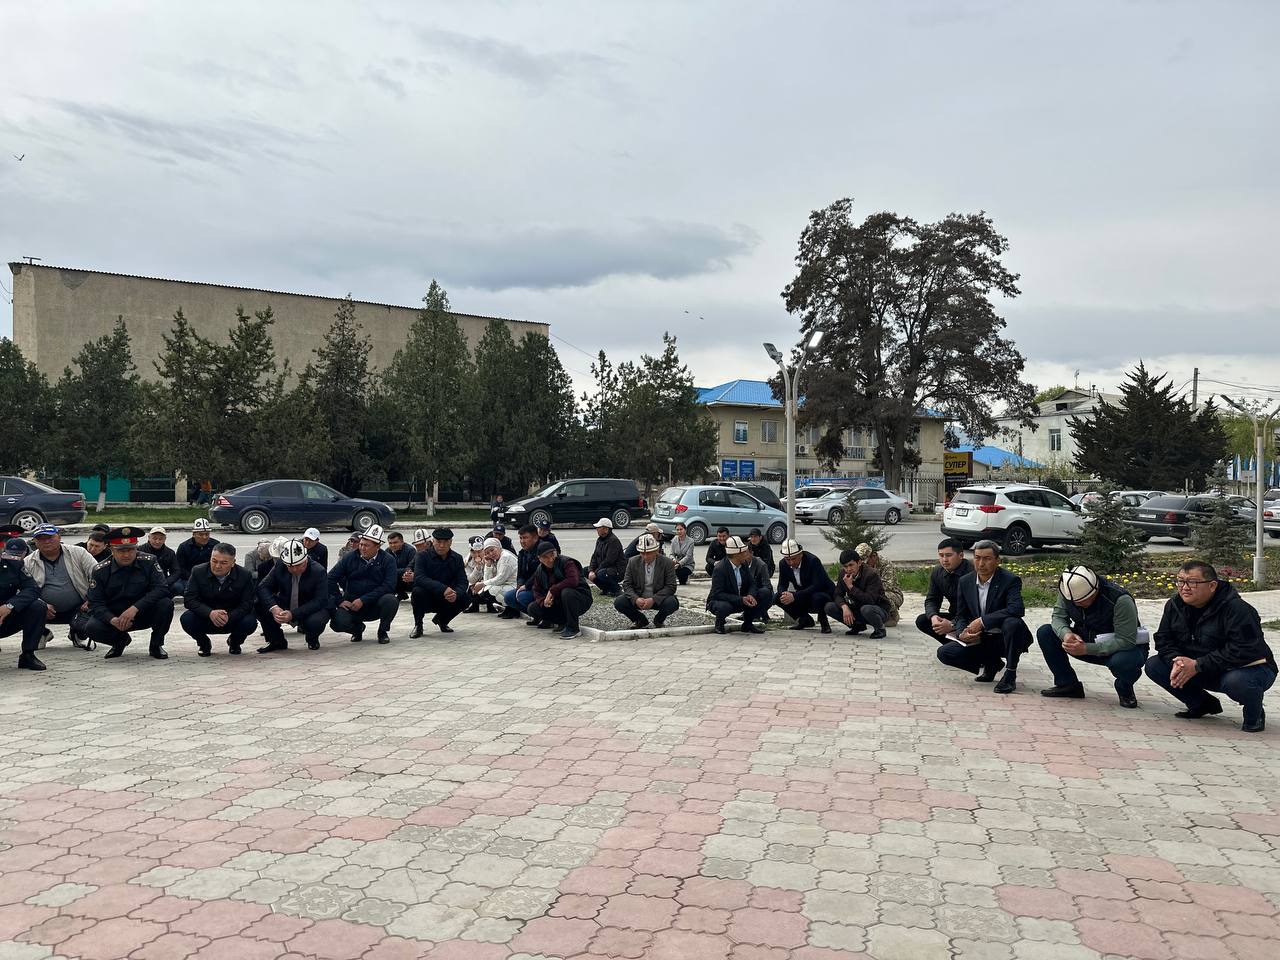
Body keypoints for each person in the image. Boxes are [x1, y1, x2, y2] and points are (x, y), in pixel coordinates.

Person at [1145, 560, 1276, 733]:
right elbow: (1163, 639)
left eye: (1192, 582)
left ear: (1212, 585)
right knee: (1155, 665)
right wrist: (1177, 661)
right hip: (1202, 667)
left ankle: (1255, 715)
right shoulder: (1174, 605)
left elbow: (1244, 649)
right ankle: (1202, 704)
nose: (1184, 587)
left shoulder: (1237, 609)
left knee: (1237, 682)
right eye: (1180, 581)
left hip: (1246, 668)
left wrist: (1198, 665)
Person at [1037, 565, 1148, 708]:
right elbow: (1058, 617)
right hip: (1086, 640)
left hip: (1122, 648)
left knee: (1124, 661)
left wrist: (1086, 649)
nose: (1077, 604)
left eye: (1082, 601)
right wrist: (1066, 634)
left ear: (1095, 591)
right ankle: (1067, 684)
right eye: (1074, 602)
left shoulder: (1120, 600)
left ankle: (1125, 689)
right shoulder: (1069, 590)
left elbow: (1125, 640)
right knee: (1045, 632)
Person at [938, 539, 1033, 693]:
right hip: (981, 638)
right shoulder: (965, 581)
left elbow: (1016, 609)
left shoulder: (1010, 580)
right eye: (977, 558)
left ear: (997, 560)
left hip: (1004, 637)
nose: (981, 563)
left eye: (987, 559)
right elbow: (961, 615)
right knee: (945, 653)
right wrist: (962, 633)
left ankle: (1010, 673)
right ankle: (992, 663)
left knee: (1012, 623)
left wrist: (983, 621)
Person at [84, 527, 175, 660]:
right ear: (111, 550)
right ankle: (120, 641)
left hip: (142, 612)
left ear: (136, 548)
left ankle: (156, 645)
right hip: (116, 616)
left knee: (166, 604)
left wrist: (134, 608)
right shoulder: (100, 570)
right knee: (92, 627)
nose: (126, 555)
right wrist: (112, 619)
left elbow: (161, 588)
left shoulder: (149, 561)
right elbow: (95, 602)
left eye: (131, 549)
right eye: (121, 550)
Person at [24, 524, 98, 650]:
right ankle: (42, 633)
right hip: (44, 610)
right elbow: (23, 590)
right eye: (41, 538)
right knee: (22, 606)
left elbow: (98, 576)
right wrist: (41, 604)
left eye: (50, 537)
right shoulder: (28, 562)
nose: (46, 541)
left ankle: (78, 633)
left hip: (80, 606)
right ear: (35, 541)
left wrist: (91, 599)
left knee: (88, 620)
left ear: (59, 537)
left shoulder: (78, 553)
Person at [256, 538, 332, 652]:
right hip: (287, 602)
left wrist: (293, 614)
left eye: (298, 565)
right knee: (259, 604)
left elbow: (320, 600)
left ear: (305, 560)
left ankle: (312, 639)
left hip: (309, 606)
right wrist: (274, 608)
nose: (295, 569)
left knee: (315, 621)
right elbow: (263, 587)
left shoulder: (318, 571)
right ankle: (276, 641)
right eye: (290, 566)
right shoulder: (280, 565)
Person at [181, 542, 256, 656]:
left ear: (233, 563)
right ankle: (204, 644)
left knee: (250, 622)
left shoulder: (244, 575)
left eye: (223, 563)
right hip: (206, 616)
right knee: (187, 618)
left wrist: (229, 616)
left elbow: (247, 603)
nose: (217, 566)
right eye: (214, 561)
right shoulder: (198, 571)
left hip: (231, 617)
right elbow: (189, 599)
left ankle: (235, 642)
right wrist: (210, 613)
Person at [328, 525, 399, 644]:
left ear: (377, 547)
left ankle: (382, 631)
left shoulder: (388, 560)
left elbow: (389, 585)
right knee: (337, 623)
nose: (362, 548)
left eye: (366, 545)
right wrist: (339, 600)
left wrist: (363, 600)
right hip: (352, 603)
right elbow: (330, 578)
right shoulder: (350, 557)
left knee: (391, 600)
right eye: (361, 544)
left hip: (375, 603)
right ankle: (357, 629)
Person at [0, 538, 50, 671]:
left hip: (5, 617)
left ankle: (28, 655)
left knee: (37, 606)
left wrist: (10, 606)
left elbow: (32, 589)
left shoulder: (14, 564)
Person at [528, 542, 592, 640]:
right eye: (545, 557)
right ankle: (562, 622)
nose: (550, 559)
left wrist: (552, 590)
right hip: (558, 602)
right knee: (533, 608)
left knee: (567, 592)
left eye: (552, 555)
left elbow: (573, 581)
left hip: (579, 598)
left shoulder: (567, 562)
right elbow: (536, 590)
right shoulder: (540, 570)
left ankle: (573, 628)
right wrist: (543, 601)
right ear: (539, 558)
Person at [411, 528, 469, 636]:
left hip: (448, 597)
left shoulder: (457, 558)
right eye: (438, 542)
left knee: (466, 597)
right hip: (429, 596)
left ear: (451, 542)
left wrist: (456, 593)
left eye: (445, 542)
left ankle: (442, 620)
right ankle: (418, 625)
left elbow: (463, 581)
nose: (442, 546)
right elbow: (419, 577)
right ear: (433, 541)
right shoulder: (422, 556)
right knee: (417, 592)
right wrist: (443, 589)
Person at [614, 533, 679, 629]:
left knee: (672, 603)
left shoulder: (667, 563)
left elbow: (671, 586)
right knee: (619, 602)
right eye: (642, 553)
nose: (645, 556)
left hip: (658, 599)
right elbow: (627, 584)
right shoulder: (632, 562)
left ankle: (659, 620)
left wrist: (653, 599)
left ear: (656, 551)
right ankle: (639, 620)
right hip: (639, 597)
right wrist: (636, 599)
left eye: (648, 553)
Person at [915, 539, 974, 642]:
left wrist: (953, 624)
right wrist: (933, 616)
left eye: (948, 555)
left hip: (971, 618)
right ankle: (952, 645)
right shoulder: (937, 572)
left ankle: (957, 647)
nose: (944, 560)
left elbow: (973, 609)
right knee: (923, 620)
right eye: (941, 555)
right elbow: (932, 599)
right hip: (954, 614)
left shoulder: (972, 573)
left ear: (961, 555)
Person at [825, 549, 890, 639]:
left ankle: (880, 629)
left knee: (866, 609)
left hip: (877, 609)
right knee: (829, 607)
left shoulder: (871, 574)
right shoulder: (843, 574)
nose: (848, 569)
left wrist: (851, 587)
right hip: (857, 607)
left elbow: (870, 599)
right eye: (845, 566)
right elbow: (837, 594)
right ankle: (857, 626)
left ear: (859, 563)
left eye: (851, 565)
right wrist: (844, 606)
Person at [707, 536, 765, 635]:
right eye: (744, 552)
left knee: (765, 593)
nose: (747, 554)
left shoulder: (744, 564)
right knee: (724, 607)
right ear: (736, 555)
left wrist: (751, 595)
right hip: (725, 600)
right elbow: (718, 594)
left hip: (742, 599)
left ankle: (748, 623)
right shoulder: (720, 569)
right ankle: (719, 623)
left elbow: (752, 583)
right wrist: (741, 599)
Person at [775, 539, 834, 633]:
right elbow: (781, 584)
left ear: (801, 554)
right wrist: (783, 594)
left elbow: (818, 585)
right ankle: (804, 620)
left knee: (818, 598)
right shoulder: (783, 564)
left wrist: (794, 596)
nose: (791, 562)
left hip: (821, 592)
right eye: (788, 559)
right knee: (777, 597)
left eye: (794, 559)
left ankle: (824, 622)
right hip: (802, 594)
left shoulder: (812, 561)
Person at [858, 543, 902, 628]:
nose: (864, 564)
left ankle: (891, 614)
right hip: (871, 591)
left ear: (874, 556)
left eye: (866, 561)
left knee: (881, 596)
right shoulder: (861, 566)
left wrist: (869, 588)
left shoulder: (886, 564)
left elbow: (888, 585)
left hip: (892, 593)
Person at [500, 524, 540, 619]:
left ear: (535, 538)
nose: (522, 541)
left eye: (525, 538)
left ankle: (543, 616)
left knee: (522, 596)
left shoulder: (541, 551)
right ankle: (534, 615)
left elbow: (539, 573)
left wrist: (526, 586)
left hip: (539, 587)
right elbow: (520, 573)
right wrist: (520, 584)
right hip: (527, 587)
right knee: (509, 597)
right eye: (520, 538)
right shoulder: (522, 553)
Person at [472, 538, 517, 613]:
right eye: (487, 553)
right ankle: (508, 609)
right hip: (506, 584)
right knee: (485, 590)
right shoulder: (497, 559)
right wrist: (488, 565)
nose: (491, 554)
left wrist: (482, 584)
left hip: (514, 585)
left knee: (488, 590)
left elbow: (500, 579)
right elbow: (488, 579)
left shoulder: (505, 557)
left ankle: (512, 609)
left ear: (498, 547)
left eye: (492, 550)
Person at [175, 518, 220, 594]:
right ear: (194, 534)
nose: (204, 537)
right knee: (178, 587)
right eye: (201, 534)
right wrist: (194, 578)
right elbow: (180, 567)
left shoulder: (216, 545)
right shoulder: (184, 547)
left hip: (210, 577)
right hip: (189, 577)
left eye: (207, 534)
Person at [587, 518, 626, 596]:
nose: (597, 529)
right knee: (585, 571)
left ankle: (617, 590)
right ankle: (606, 589)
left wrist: (595, 572)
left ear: (606, 529)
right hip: (604, 568)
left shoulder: (613, 541)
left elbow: (609, 561)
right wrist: (591, 570)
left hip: (617, 570)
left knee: (601, 573)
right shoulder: (599, 540)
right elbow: (594, 556)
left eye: (599, 527)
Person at [143, 526, 182, 597]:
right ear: (149, 538)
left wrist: (166, 582)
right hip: (144, 581)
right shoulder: (140, 550)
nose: (157, 541)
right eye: (154, 538)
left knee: (178, 587)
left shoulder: (170, 553)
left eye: (160, 539)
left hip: (163, 581)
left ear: (165, 539)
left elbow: (176, 571)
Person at [385, 530, 416, 601]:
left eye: (395, 542)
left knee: (401, 573)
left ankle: (400, 593)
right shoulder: (387, 551)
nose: (393, 545)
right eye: (390, 543)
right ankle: (394, 596)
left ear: (402, 542)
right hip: (394, 578)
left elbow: (412, 568)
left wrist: (394, 571)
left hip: (407, 579)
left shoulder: (410, 550)